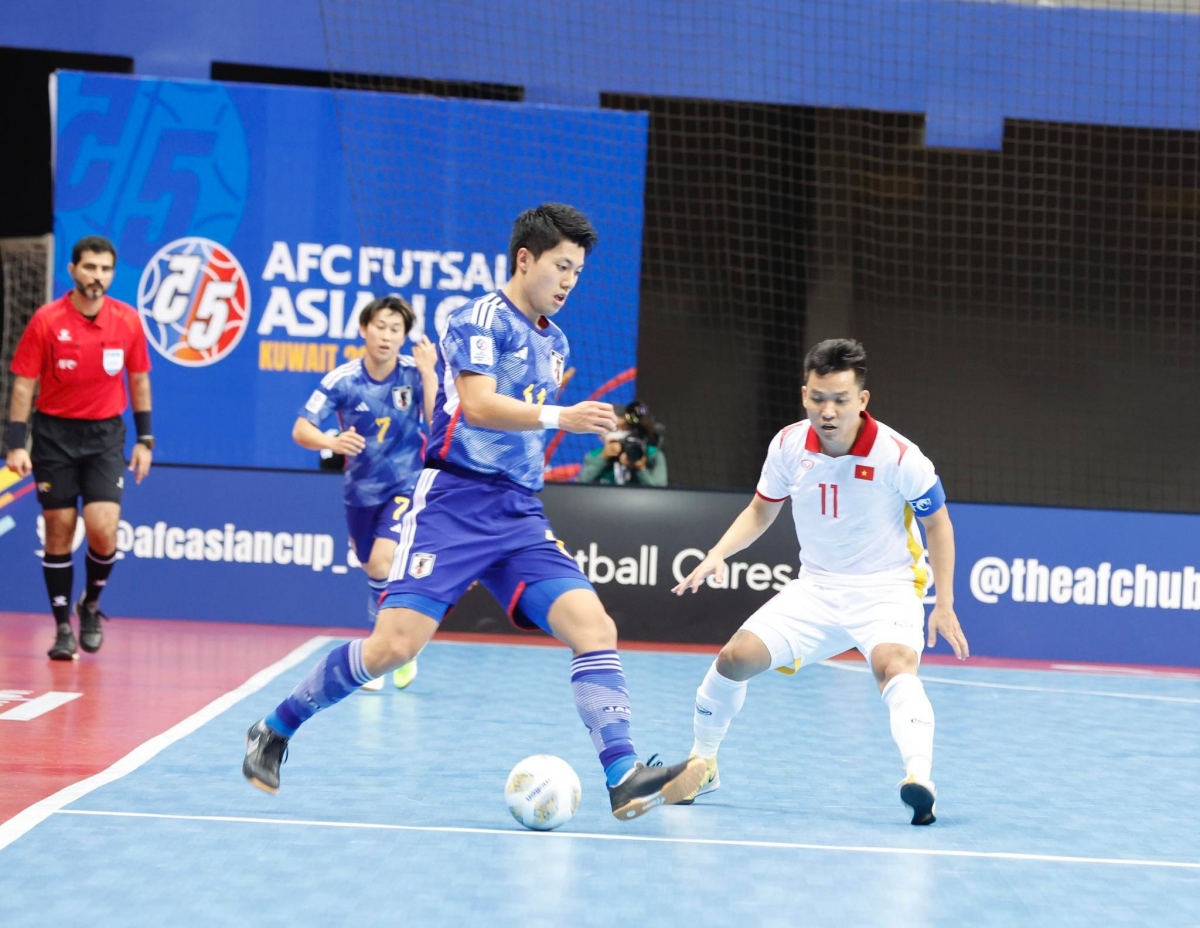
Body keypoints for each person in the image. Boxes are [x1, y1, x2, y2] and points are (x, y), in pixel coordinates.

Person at [244, 203, 705, 818]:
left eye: (578, 272)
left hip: (517, 512)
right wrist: (561, 417)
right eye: (561, 266)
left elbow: (520, 433)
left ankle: (622, 774)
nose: (569, 281)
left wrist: (545, 478)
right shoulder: (476, 318)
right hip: (452, 503)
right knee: (394, 648)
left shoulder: (555, 339)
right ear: (525, 258)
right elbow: (481, 405)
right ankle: (274, 728)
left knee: (594, 629)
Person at [673, 338, 968, 825]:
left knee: (894, 667)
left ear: (862, 400)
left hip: (886, 588)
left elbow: (938, 523)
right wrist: (717, 554)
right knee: (733, 659)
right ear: (804, 393)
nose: (827, 411)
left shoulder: (899, 455)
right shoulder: (788, 444)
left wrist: (945, 603)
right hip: (816, 589)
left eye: (840, 399)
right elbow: (761, 510)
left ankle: (920, 780)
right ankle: (703, 763)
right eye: (817, 397)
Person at [3, 235, 153, 660]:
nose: (98, 277)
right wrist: (17, 443)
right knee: (59, 533)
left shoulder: (126, 320)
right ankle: (62, 630)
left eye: (105, 269)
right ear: (72, 271)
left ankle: (91, 605)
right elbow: (24, 383)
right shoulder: (47, 320)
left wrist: (145, 439)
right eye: (89, 268)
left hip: (105, 437)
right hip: (54, 437)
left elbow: (139, 379)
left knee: (104, 530)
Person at [293, 296, 438, 690]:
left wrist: (429, 374)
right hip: (360, 492)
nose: (387, 336)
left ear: (404, 336)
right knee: (370, 566)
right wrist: (331, 441)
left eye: (396, 329)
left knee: (381, 563)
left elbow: (436, 422)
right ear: (364, 329)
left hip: (407, 484)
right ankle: (398, 644)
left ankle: (382, 648)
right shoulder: (342, 380)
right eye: (380, 327)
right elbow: (301, 428)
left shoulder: (412, 373)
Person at [578, 400, 668, 487]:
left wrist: (641, 468)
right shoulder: (594, 456)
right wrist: (603, 458)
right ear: (600, 435)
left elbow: (661, 491)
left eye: (624, 428)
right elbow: (579, 486)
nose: (619, 432)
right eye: (612, 428)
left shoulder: (652, 454)